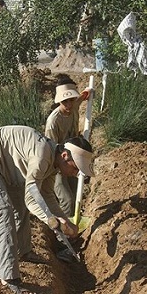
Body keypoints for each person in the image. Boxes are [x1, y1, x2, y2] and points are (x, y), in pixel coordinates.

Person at [0, 125, 94, 294]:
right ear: (65, 156)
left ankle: (24, 251)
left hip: (7, 168)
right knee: (4, 211)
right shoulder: (42, 157)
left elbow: (46, 194)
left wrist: (65, 220)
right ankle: (9, 277)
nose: (76, 173)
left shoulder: (53, 164)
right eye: (76, 167)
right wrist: (52, 221)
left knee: (20, 208)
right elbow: (31, 198)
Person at [44, 76, 92, 217]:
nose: (69, 105)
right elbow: (52, 152)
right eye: (65, 102)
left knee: (77, 192)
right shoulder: (53, 122)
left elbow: (81, 98)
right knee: (68, 201)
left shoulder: (73, 105)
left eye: (71, 100)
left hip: (73, 160)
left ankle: (74, 226)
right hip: (59, 165)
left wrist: (87, 92)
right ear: (59, 101)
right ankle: (63, 235)